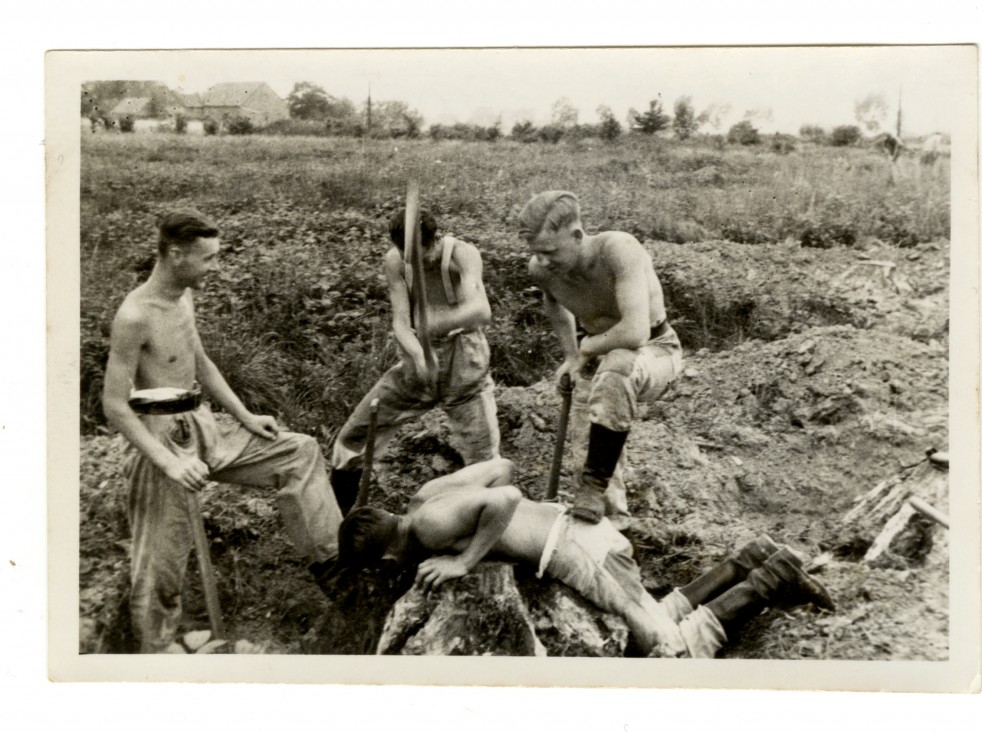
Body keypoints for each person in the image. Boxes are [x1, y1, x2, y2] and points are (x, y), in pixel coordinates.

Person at [102, 208, 342, 653]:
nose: (216, 266)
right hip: (159, 440)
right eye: (208, 258)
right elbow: (114, 406)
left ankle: (334, 569)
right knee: (160, 566)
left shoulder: (183, 298)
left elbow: (203, 365)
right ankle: (159, 657)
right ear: (176, 255)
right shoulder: (134, 315)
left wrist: (246, 417)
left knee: (300, 453)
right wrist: (170, 463)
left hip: (204, 425)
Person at [337, 458, 834, 658]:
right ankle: (749, 560)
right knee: (647, 619)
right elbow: (500, 466)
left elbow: (505, 496)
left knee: (668, 655)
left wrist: (466, 560)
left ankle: (771, 579)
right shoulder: (426, 497)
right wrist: (501, 537)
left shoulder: (427, 526)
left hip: (577, 550)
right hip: (578, 534)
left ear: (385, 559)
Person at [517, 191, 683, 526]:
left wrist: (585, 349)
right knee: (587, 445)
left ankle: (594, 483)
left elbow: (635, 331)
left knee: (618, 364)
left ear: (577, 236)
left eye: (550, 251)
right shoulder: (542, 269)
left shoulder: (619, 250)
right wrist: (570, 355)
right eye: (536, 252)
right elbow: (553, 302)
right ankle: (611, 532)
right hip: (600, 356)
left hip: (655, 350)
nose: (542, 261)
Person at [329, 206, 500, 512]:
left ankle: (490, 550)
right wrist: (419, 354)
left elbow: (480, 311)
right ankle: (338, 532)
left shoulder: (462, 254)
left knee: (485, 464)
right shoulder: (396, 261)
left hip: (465, 365)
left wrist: (432, 324)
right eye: (407, 258)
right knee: (352, 439)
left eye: (419, 257)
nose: (413, 265)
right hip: (416, 366)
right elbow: (399, 321)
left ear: (432, 242)